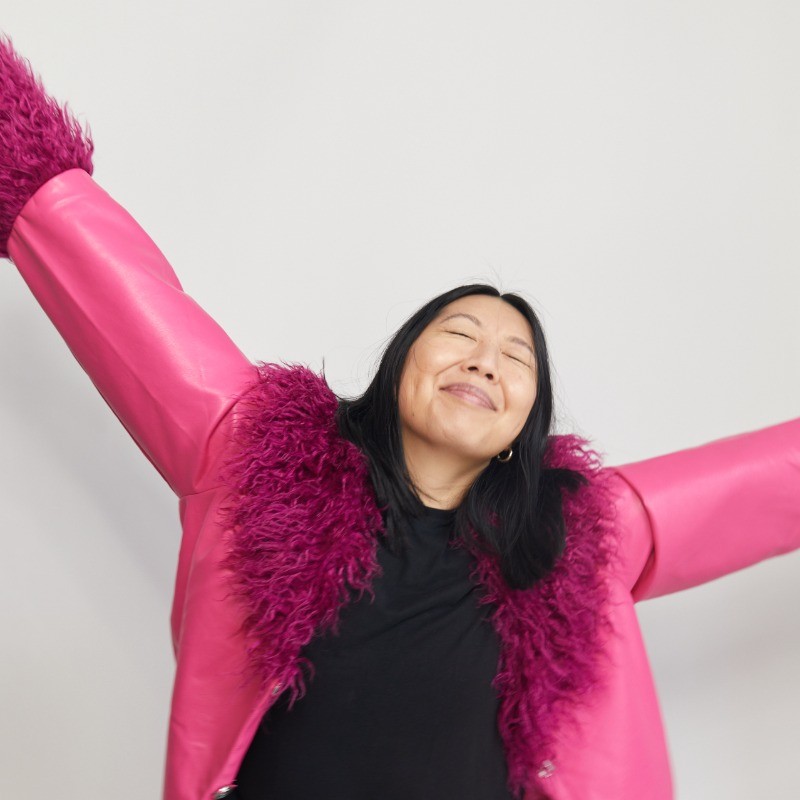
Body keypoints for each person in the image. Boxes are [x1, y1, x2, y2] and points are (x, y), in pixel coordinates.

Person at [2, 34, 798, 800]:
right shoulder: (257, 460)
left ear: (524, 427)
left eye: (515, 360)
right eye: (459, 335)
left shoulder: (582, 537)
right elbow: (119, 294)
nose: (484, 361)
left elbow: (771, 482)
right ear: (400, 366)